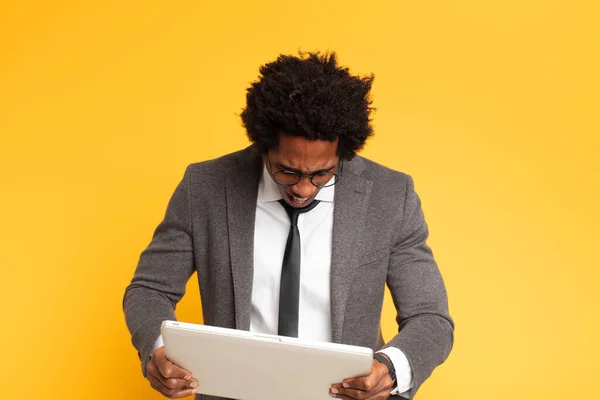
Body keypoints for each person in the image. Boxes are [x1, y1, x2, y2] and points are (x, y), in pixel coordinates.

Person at [123, 51, 454, 400]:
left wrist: (390, 367)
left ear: (344, 153)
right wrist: (158, 350)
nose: (304, 188)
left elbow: (431, 318)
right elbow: (149, 288)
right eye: (288, 171)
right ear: (264, 144)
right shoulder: (204, 187)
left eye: (322, 174)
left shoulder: (390, 197)